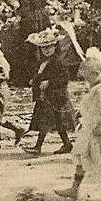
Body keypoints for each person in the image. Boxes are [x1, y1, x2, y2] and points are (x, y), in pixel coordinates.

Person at [55, 49, 101, 201]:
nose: (85, 80)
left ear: (95, 73)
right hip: (90, 127)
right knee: (81, 154)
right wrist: (81, 115)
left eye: (87, 76)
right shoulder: (95, 85)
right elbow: (91, 105)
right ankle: (75, 188)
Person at [25, 27, 75, 156]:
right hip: (46, 97)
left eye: (49, 47)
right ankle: (66, 144)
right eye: (43, 48)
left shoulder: (58, 61)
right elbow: (41, 75)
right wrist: (34, 81)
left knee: (50, 121)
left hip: (55, 97)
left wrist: (50, 82)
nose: (46, 50)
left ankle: (39, 146)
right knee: (51, 121)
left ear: (55, 47)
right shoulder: (42, 62)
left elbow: (64, 78)